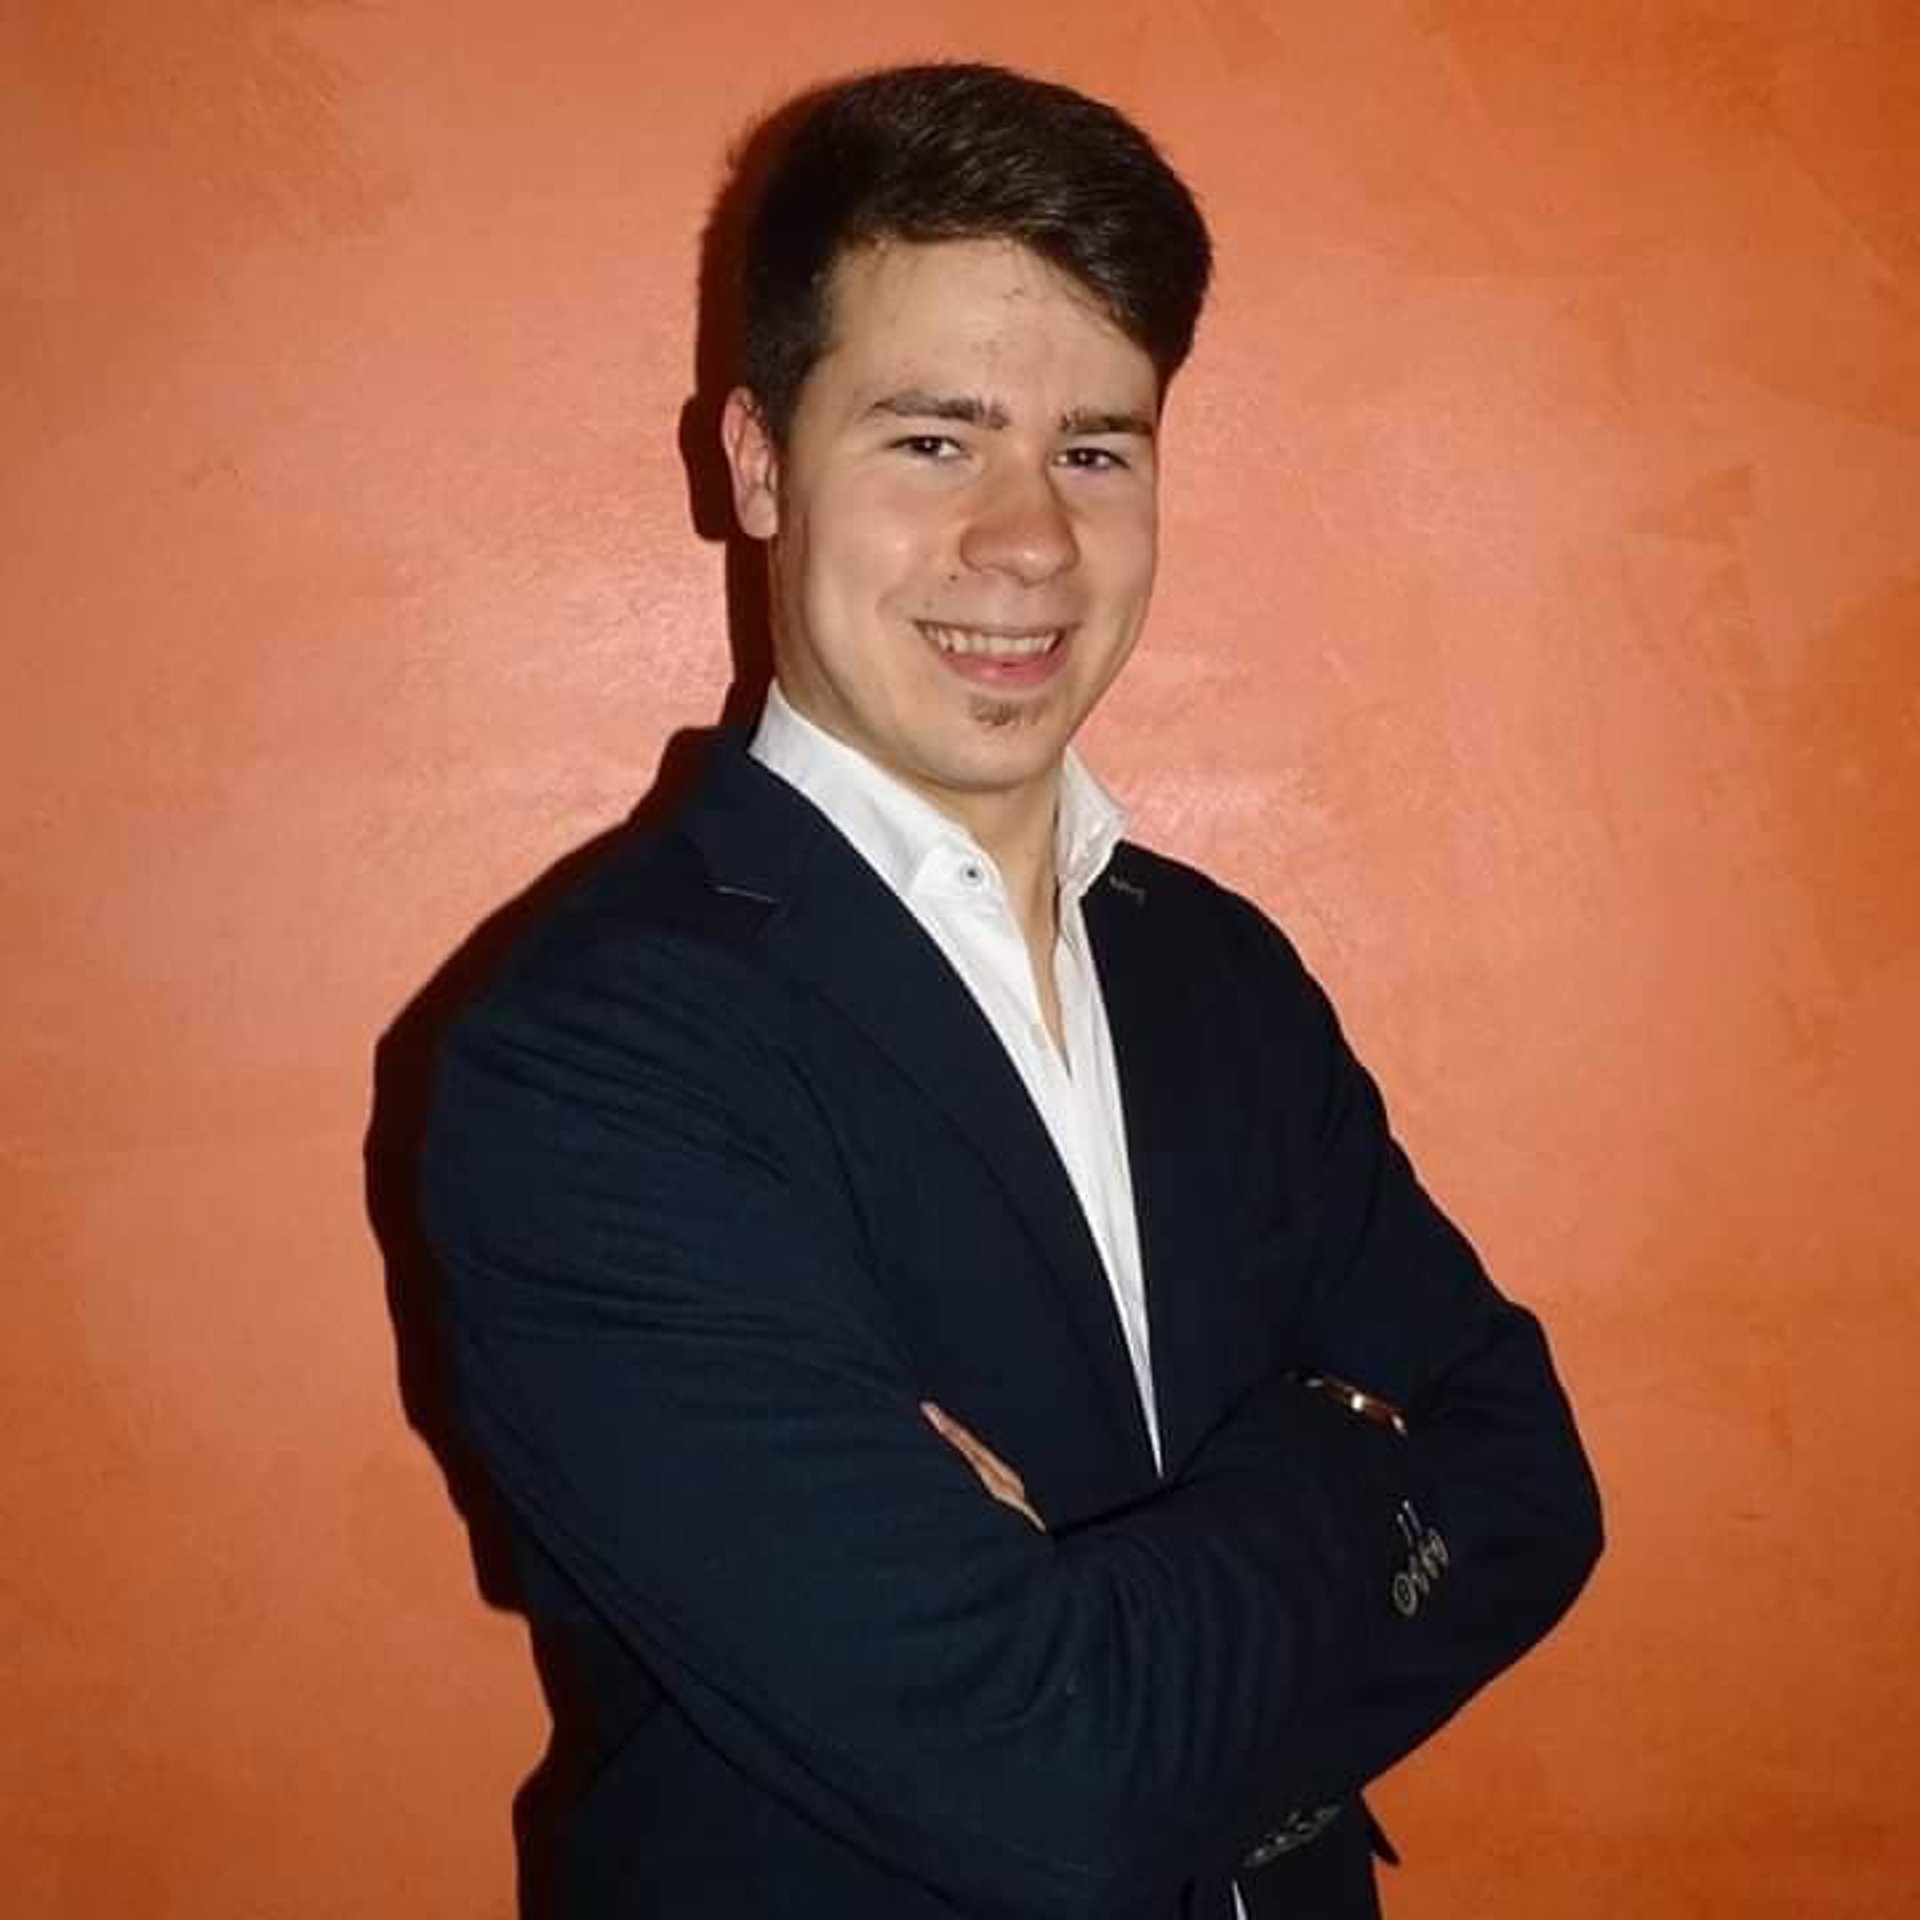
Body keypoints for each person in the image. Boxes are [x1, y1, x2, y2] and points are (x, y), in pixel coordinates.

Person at [422, 62, 1602, 1920]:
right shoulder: (590, 1061)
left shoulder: (1219, 968)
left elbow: (1535, 1482)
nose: (1030, 538)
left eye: (1096, 450)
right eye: (933, 439)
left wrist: (1101, 1613)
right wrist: (1348, 1447)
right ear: (756, 461)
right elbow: (1048, 1775)